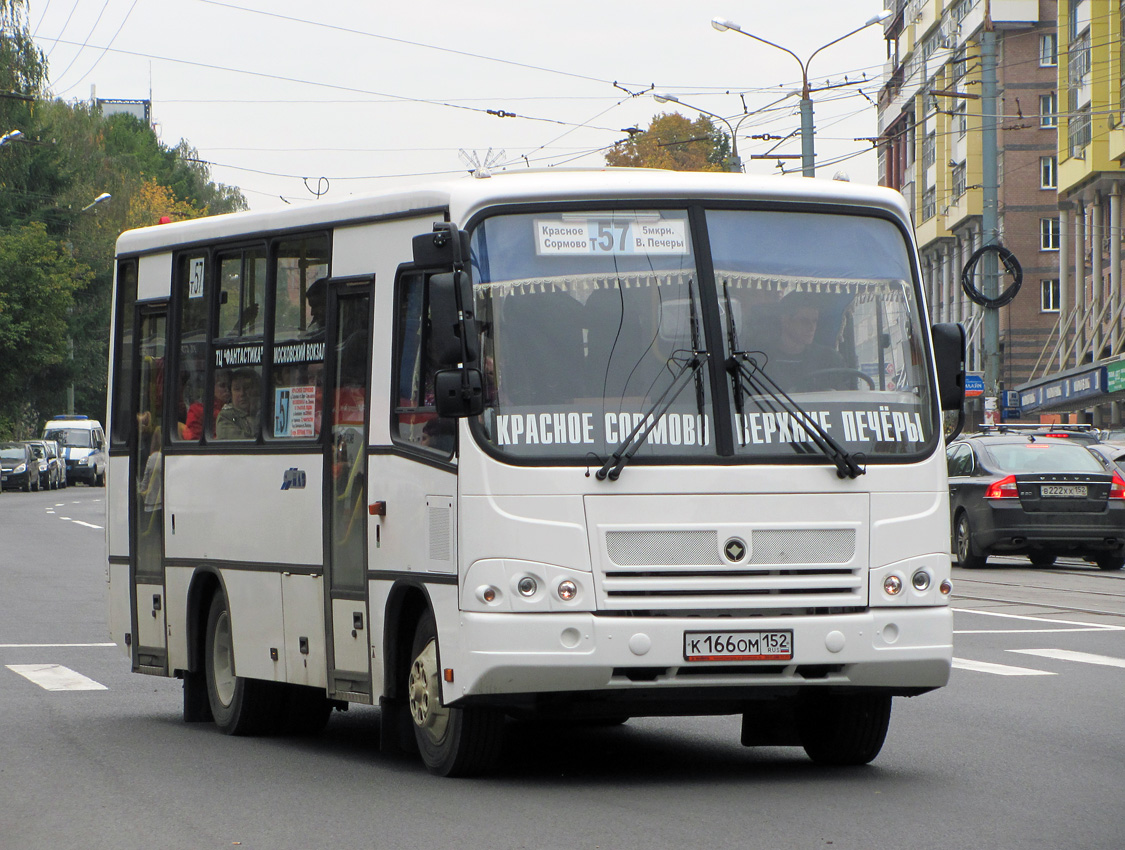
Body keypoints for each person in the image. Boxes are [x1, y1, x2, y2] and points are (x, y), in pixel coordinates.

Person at [760, 292, 848, 391]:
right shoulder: (762, 360)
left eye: (815, 321)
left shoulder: (830, 360)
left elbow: (843, 399)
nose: (812, 327)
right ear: (785, 320)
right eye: (804, 321)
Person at [214, 368, 261, 440]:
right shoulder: (225, 416)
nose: (242, 393)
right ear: (231, 393)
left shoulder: (265, 413)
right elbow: (238, 443)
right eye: (237, 389)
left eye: (247, 388)